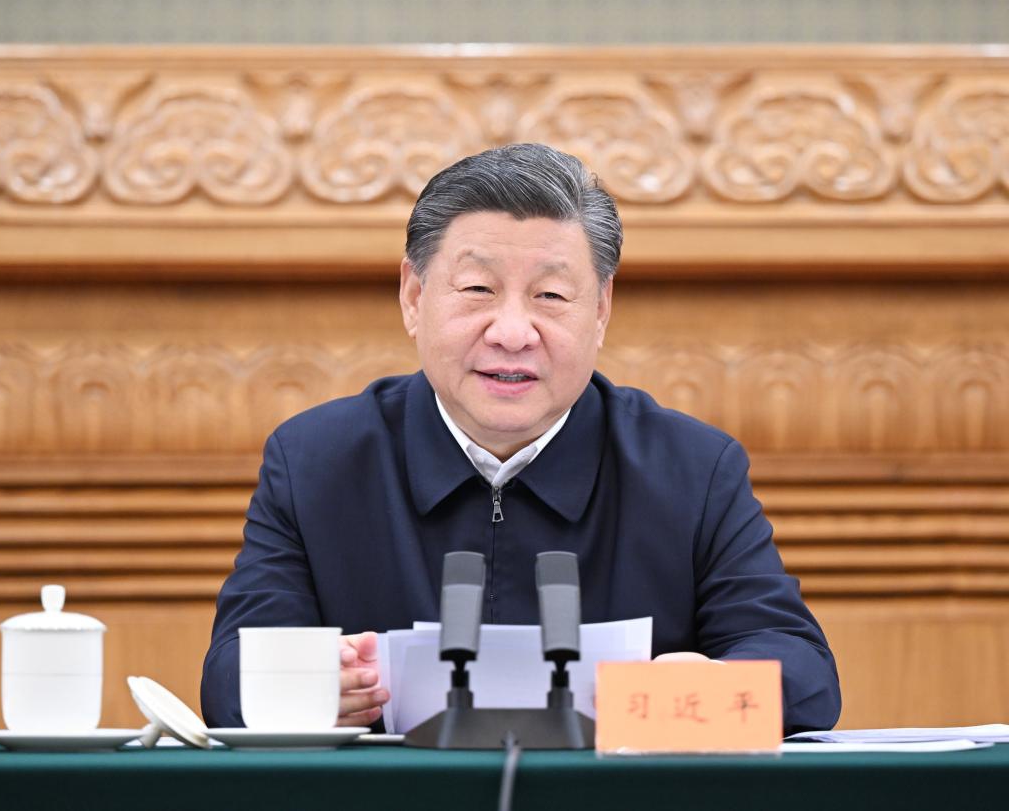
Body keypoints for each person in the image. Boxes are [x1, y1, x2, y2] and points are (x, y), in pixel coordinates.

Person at [201, 143, 840, 734]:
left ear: (600, 311)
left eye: (551, 295)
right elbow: (228, 677)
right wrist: (306, 684)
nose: (512, 331)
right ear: (414, 296)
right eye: (478, 289)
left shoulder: (692, 469)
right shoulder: (318, 460)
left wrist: (707, 690)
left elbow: (804, 674)